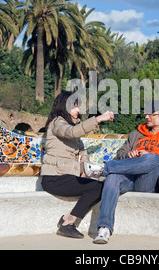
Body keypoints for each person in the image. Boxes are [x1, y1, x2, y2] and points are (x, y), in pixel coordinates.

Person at [86, 102, 159, 244]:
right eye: (146, 114)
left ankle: (103, 169)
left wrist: (149, 156)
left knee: (151, 157)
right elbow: (120, 153)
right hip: (128, 178)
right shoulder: (136, 134)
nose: (146, 117)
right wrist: (129, 154)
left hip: (148, 181)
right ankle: (104, 229)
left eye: (151, 114)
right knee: (113, 177)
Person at [40, 91, 114, 239]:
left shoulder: (72, 128)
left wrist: (84, 170)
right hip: (53, 177)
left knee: (101, 185)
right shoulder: (57, 123)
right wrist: (98, 118)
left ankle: (67, 219)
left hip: (66, 176)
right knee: (97, 187)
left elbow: (82, 152)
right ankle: (68, 224)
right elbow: (72, 132)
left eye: (78, 107)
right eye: (74, 107)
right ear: (64, 106)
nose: (77, 111)